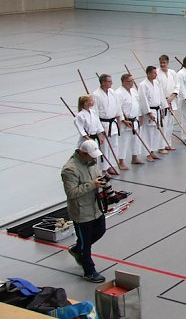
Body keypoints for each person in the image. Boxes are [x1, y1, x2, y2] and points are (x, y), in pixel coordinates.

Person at [62, 139, 107, 283]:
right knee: (86, 244)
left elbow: (95, 176)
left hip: (95, 207)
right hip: (82, 212)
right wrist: (92, 185)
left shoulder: (91, 162)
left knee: (100, 230)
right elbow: (71, 193)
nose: (95, 158)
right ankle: (89, 271)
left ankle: (77, 249)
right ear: (83, 153)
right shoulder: (70, 169)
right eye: (92, 155)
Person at [93, 74, 124, 173]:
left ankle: (112, 166)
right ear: (103, 83)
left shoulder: (112, 92)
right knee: (104, 147)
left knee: (114, 146)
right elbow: (95, 113)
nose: (112, 83)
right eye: (109, 81)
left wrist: (119, 121)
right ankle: (104, 169)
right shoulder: (96, 95)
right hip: (103, 124)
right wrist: (99, 131)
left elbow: (118, 107)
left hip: (113, 123)